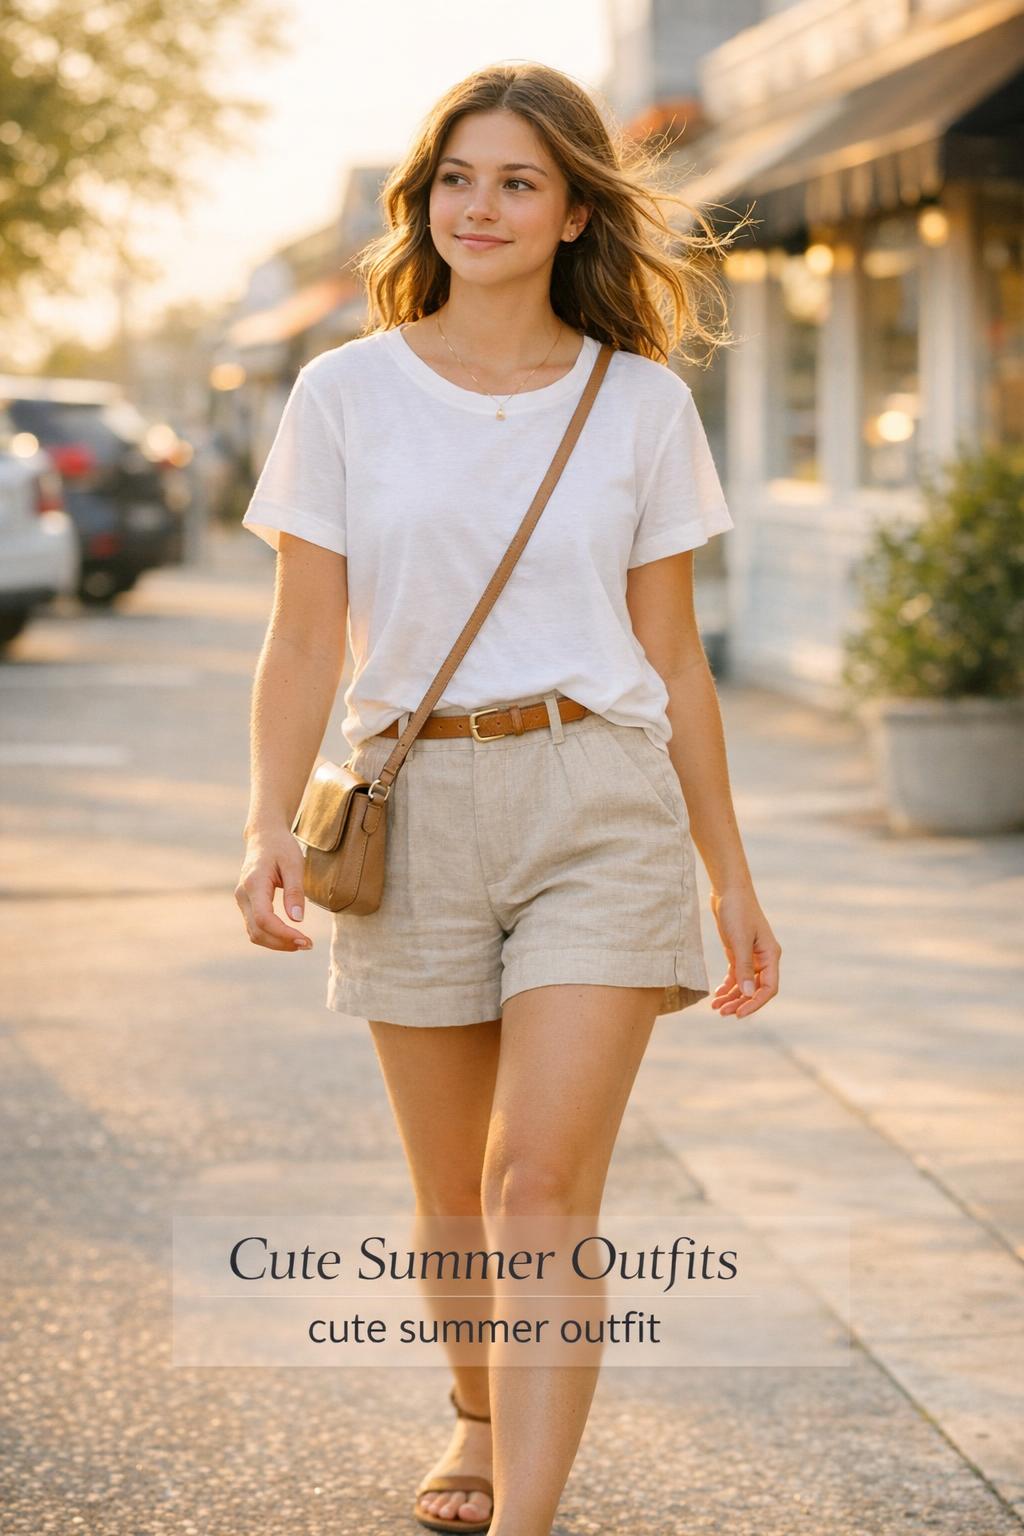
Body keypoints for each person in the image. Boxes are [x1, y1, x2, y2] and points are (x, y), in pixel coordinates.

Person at [234, 59, 781, 1536]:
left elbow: (670, 651)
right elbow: (301, 638)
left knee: (539, 1182)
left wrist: (730, 874)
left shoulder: (642, 403)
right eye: (458, 179)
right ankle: (477, 1414)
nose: (482, 207)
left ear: (571, 213)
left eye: (518, 182)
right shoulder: (344, 392)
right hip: (411, 805)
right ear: (424, 203)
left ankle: (527, 1515)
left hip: (596, 798)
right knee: (459, 1200)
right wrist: (266, 823)